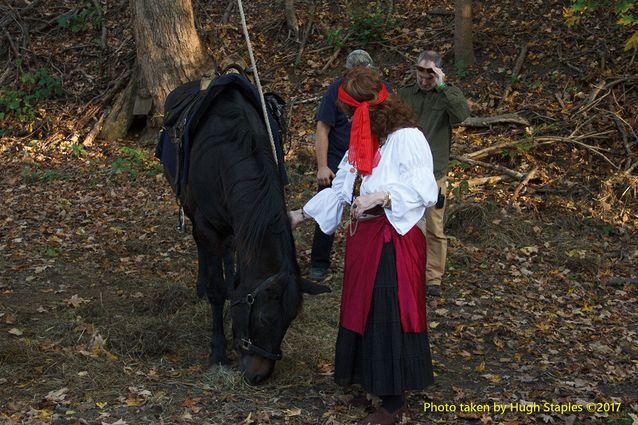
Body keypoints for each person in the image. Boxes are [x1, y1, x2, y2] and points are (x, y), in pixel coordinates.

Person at [290, 67, 438, 425]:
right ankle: (372, 386)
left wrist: (382, 196)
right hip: (364, 242)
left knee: (388, 313)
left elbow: (426, 191)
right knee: (364, 312)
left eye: (349, 112)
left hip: (395, 240)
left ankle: (392, 403)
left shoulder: (408, 138)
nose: (346, 119)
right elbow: (342, 190)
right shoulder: (364, 142)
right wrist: (299, 215)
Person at [398, 50, 470, 297]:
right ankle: (406, 270)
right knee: (403, 222)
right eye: (420, 71)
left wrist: (443, 86)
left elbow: (461, 115)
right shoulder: (405, 94)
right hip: (404, 171)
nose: (424, 78)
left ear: (438, 73)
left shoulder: (447, 95)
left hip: (433, 174)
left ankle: (433, 279)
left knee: (434, 226)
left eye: (430, 74)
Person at [309, 49, 378, 282]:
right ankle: (319, 262)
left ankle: (366, 262)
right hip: (337, 160)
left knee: (368, 212)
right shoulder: (335, 91)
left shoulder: (377, 90)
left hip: (368, 160)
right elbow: (322, 128)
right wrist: (322, 166)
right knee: (326, 209)